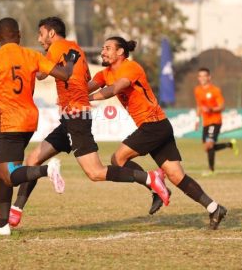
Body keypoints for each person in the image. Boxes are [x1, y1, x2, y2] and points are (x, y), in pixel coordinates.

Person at [0, 17, 170, 228]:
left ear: (51, 33)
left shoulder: (57, 48)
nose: (39, 39)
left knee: (95, 172)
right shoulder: (76, 49)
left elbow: (39, 74)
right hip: (70, 117)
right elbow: (82, 80)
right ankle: (15, 212)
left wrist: (24, 63)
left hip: (77, 118)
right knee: (33, 160)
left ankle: (149, 178)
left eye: (41, 34)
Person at [88, 37, 228, 230]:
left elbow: (115, 89)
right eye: (103, 48)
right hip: (158, 126)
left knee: (118, 159)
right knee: (176, 176)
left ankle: (154, 185)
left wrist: (86, 100)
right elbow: (88, 86)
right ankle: (214, 208)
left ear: (120, 52)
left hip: (153, 126)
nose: (103, 51)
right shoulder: (105, 73)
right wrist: (71, 91)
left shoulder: (131, 68)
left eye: (108, 48)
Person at [0, 17, 80, 236]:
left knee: (8, 174)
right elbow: (64, 74)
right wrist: (69, 60)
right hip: (30, 119)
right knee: (1, 168)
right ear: (19, 35)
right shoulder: (32, 55)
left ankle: (47, 170)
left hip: (10, 121)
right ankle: (3, 225)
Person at [194, 68, 238, 175]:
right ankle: (229, 145)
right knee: (207, 147)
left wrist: (212, 109)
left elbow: (222, 106)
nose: (202, 78)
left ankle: (211, 170)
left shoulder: (215, 90)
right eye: (200, 76)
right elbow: (199, 106)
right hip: (206, 122)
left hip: (215, 121)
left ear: (209, 77)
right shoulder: (197, 90)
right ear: (198, 78)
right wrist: (197, 119)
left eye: (205, 76)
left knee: (209, 145)